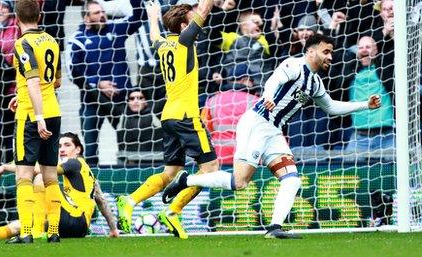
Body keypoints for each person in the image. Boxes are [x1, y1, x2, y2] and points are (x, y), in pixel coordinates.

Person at [162, 34, 382, 239]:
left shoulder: (315, 82)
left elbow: (331, 107)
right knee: (240, 182)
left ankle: (274, 228)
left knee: (292, 179)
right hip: (257, 124)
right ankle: (186, 180)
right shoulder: (293, 65)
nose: (330, 57)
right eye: (326, 52)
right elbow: (273, 81)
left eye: (331, 53)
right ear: (311, 51)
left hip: (274, 132)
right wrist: (268, 97)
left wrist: (365, 105)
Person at [115, 0, 220, 239]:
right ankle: (173, 211)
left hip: (168, 116)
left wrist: (153, 17)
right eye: (192, 20)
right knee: (211, 170)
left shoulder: (163, 45)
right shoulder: (185, 42)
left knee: (170, 171)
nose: (197, 22)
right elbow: (204, 9)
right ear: (185, 25)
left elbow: (154, 35)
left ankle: (130, 201)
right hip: (186, 116)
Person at [0, 133, 120, 240]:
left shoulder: (74, 163)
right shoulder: (88, 174)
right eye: (59, 146)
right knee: (19, 226)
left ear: (78, 149)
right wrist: (113, 229)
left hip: (73, 220)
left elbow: (39, 170)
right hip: (75, 225)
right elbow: (101, 201)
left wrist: (4, 167)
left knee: (43, 177)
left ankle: (36, 232)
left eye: (67, 145)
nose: (62, 149)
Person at [9, 0, 62, 244]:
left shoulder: (22, 43)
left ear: (16, 18)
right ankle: (53, 233)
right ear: (39, 17)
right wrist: (20, 97)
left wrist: (37, 115)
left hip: (32, 116)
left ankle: (27, 232)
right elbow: (56, 82)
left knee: (24, 175)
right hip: (54, 111)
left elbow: (32, 82)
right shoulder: (52, 40)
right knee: (51, 176)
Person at [67, 0, 146, 165]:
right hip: (92, 101)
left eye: (102, 12)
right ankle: (91, 186)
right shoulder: (77, 40)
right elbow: (73, 72)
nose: (102, 15)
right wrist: (97, 83)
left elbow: (140, 16)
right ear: (86, 18)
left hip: (120, 100)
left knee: (128, 145)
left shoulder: (116, 28)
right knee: (89, 150)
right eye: (96, 13)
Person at [201, 64, 260, 165]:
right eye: (251, 81)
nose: (253, 84)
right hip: (246, 159)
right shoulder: (256, 102)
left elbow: (204, 130)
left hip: (217, 158)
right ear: (244, 80)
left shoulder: (212, 101)